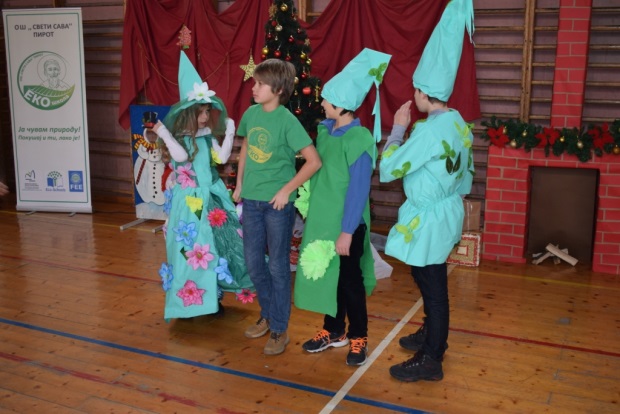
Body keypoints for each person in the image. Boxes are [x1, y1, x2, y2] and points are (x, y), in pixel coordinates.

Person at [380, 0, 475, 382]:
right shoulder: (457, 122)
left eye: (416, 89)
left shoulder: (429, 131)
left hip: (431, 217)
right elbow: (466, 175)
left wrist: (398, 129)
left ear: (423, 92)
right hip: (446, 210)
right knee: (426, 278)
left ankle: (432, 356)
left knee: (433, 286)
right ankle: (431, 334)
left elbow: (389, 168)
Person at [293, 49, 391, 366]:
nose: (321, 103)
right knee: (330, 278)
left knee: (350, 283)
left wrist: (347, 231)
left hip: (347, 225)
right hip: (323, 222)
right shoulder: (325, 131)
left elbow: (358, 190)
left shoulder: (358, 139)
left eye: (326, 99)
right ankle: (334, 330)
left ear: (341, 105)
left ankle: (359, 335)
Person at [154, 52, 253, 320]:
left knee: (214, 247)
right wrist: (164, 134)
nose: (206, 115)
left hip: (211, 197)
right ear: (190, 112)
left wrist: (230, 131)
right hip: (190, 204)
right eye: (202, 111)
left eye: (208, 111)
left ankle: (212, 298)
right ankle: (192, 301)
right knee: (193, 248)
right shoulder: (180, 138)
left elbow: (221, 158)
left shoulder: (207, 136)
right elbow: (180, 157)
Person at [233, 59, 321, 356]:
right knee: (254, 264)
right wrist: (239, 183)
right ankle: (268, 315)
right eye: (255, 82)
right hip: (252, 202)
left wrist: (286, 190)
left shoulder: (287, 121)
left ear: (279, 90)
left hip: (277, 206)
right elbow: (246, 147)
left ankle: (279, 328)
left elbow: (314, 161)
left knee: (278, 267)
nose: (254, 87)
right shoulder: (251, 114)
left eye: (260, 84)